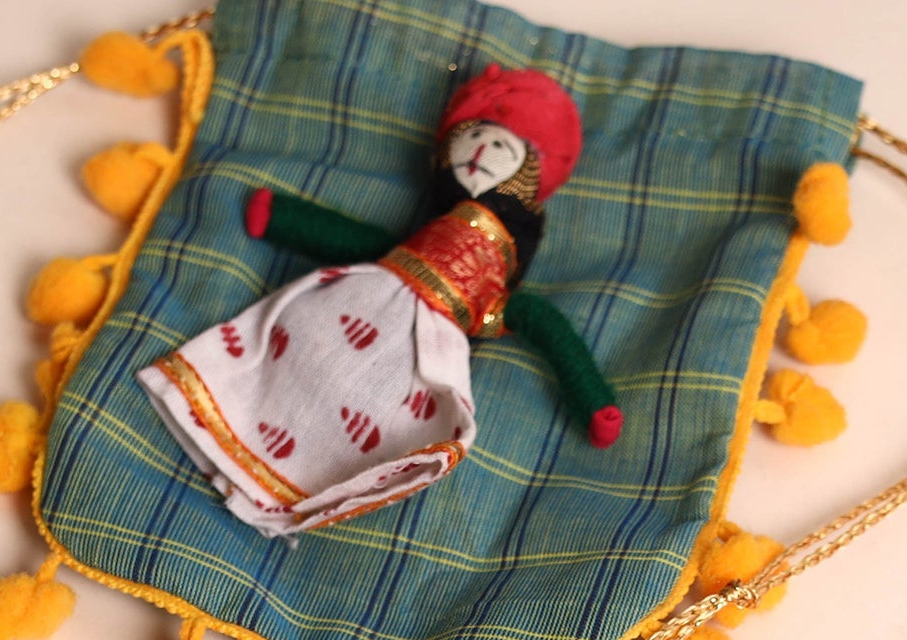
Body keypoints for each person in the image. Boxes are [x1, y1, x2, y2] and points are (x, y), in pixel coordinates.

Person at [138, 64, 619, 536]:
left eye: (500, 145)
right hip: (352, 303)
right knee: (296, 346)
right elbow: (363, 242)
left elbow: (545, 324)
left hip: (424, 351)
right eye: (475, 135)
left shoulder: (494, 293)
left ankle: (285, 485)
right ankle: (230, 429)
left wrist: (592, 400)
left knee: (386, 420)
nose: (482, 150)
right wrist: (284, 217)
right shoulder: (416, 240)